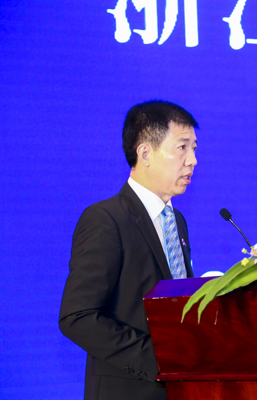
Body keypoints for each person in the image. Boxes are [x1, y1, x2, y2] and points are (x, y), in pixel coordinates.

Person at [59, 100, 198, 400]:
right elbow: (78, 316)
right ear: (145, 153)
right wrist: (160, 359)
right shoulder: (106, 219)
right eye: (182, 147)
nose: (192, 160)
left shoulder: (177, 221)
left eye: (194, 149)